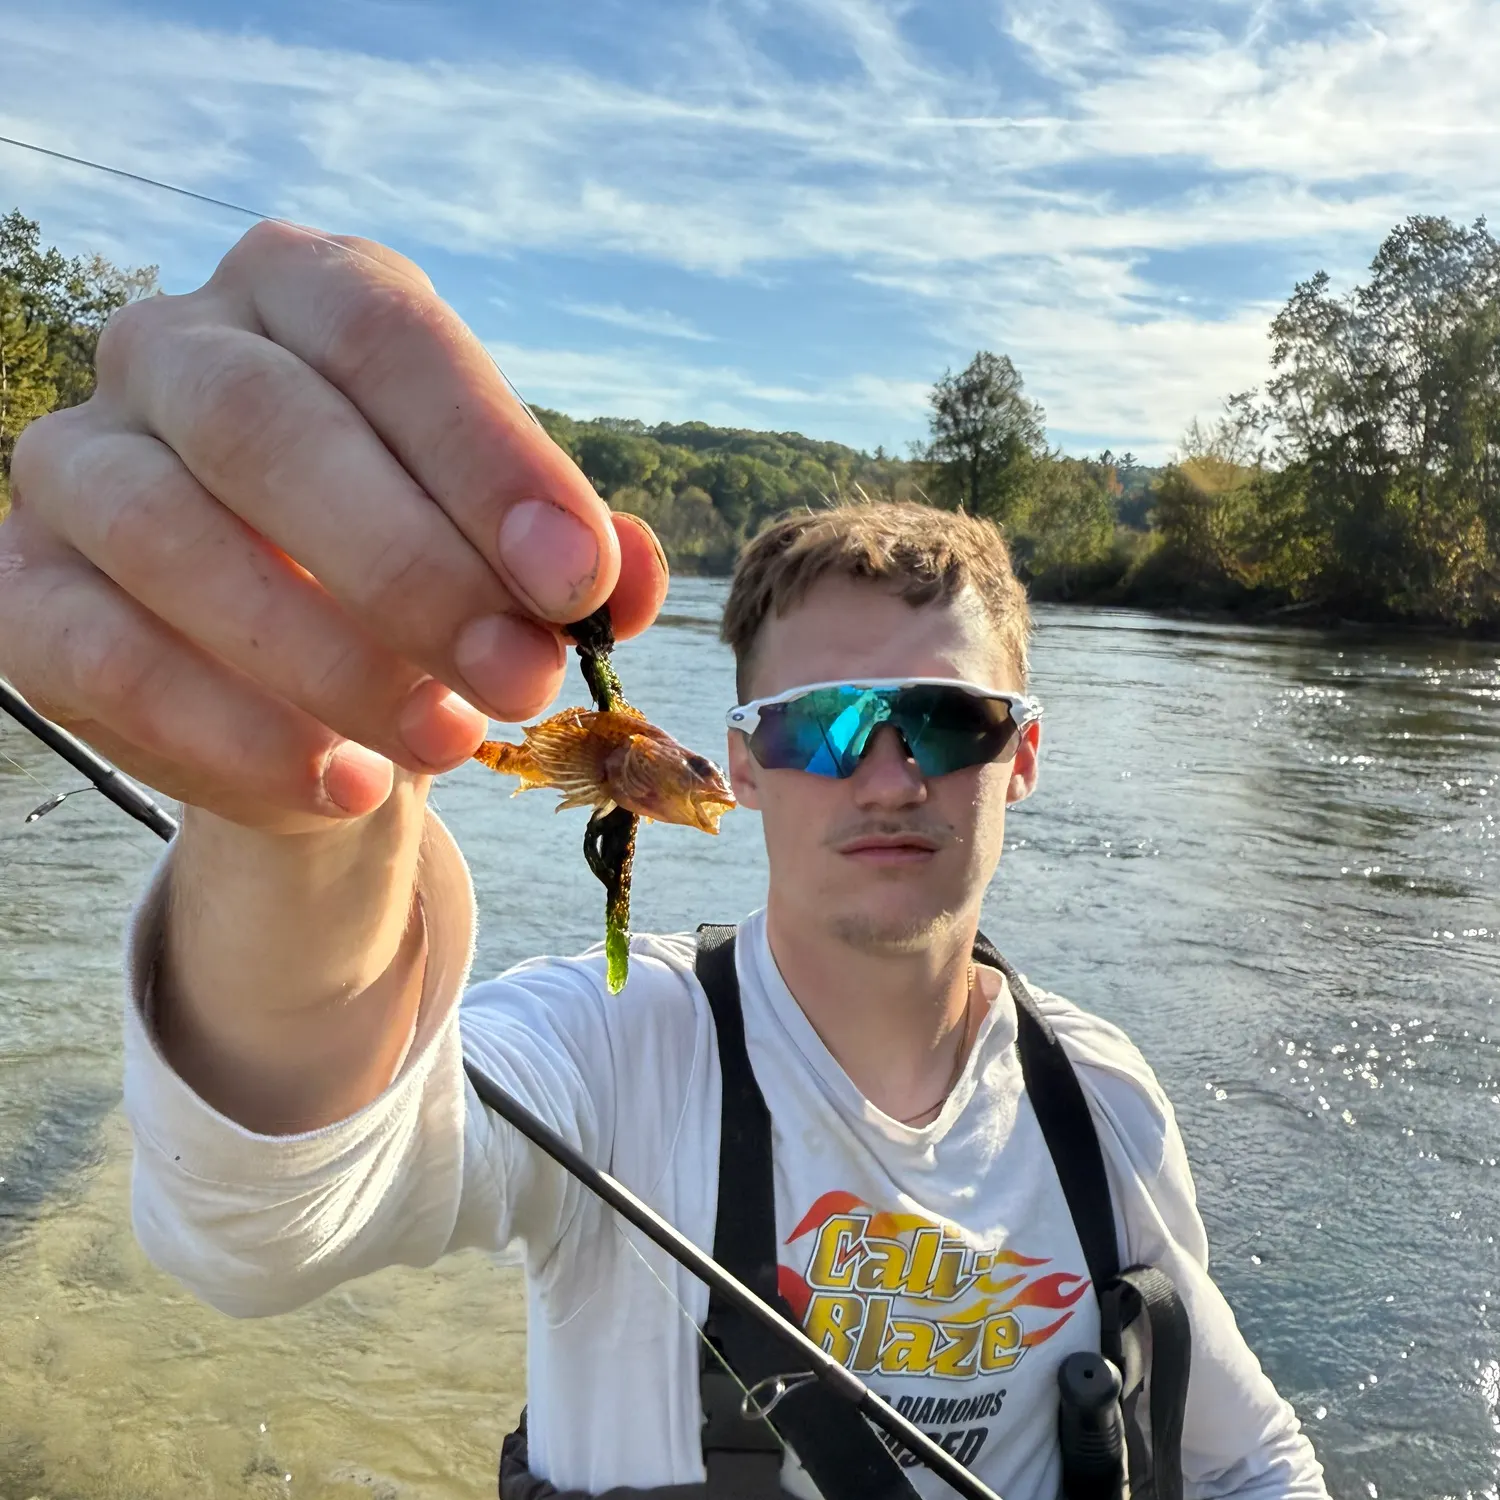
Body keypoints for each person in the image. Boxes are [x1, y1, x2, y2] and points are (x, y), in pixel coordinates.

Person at [0, 220, 1329, 1500]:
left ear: (1023, 754)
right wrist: (304, 806)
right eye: (823, 725)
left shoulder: (1102, 1100)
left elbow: (1247, 1457)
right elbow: (262, 1225)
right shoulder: (611, 1048)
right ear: (739, 767)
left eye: (948, 719)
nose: (889, 771)